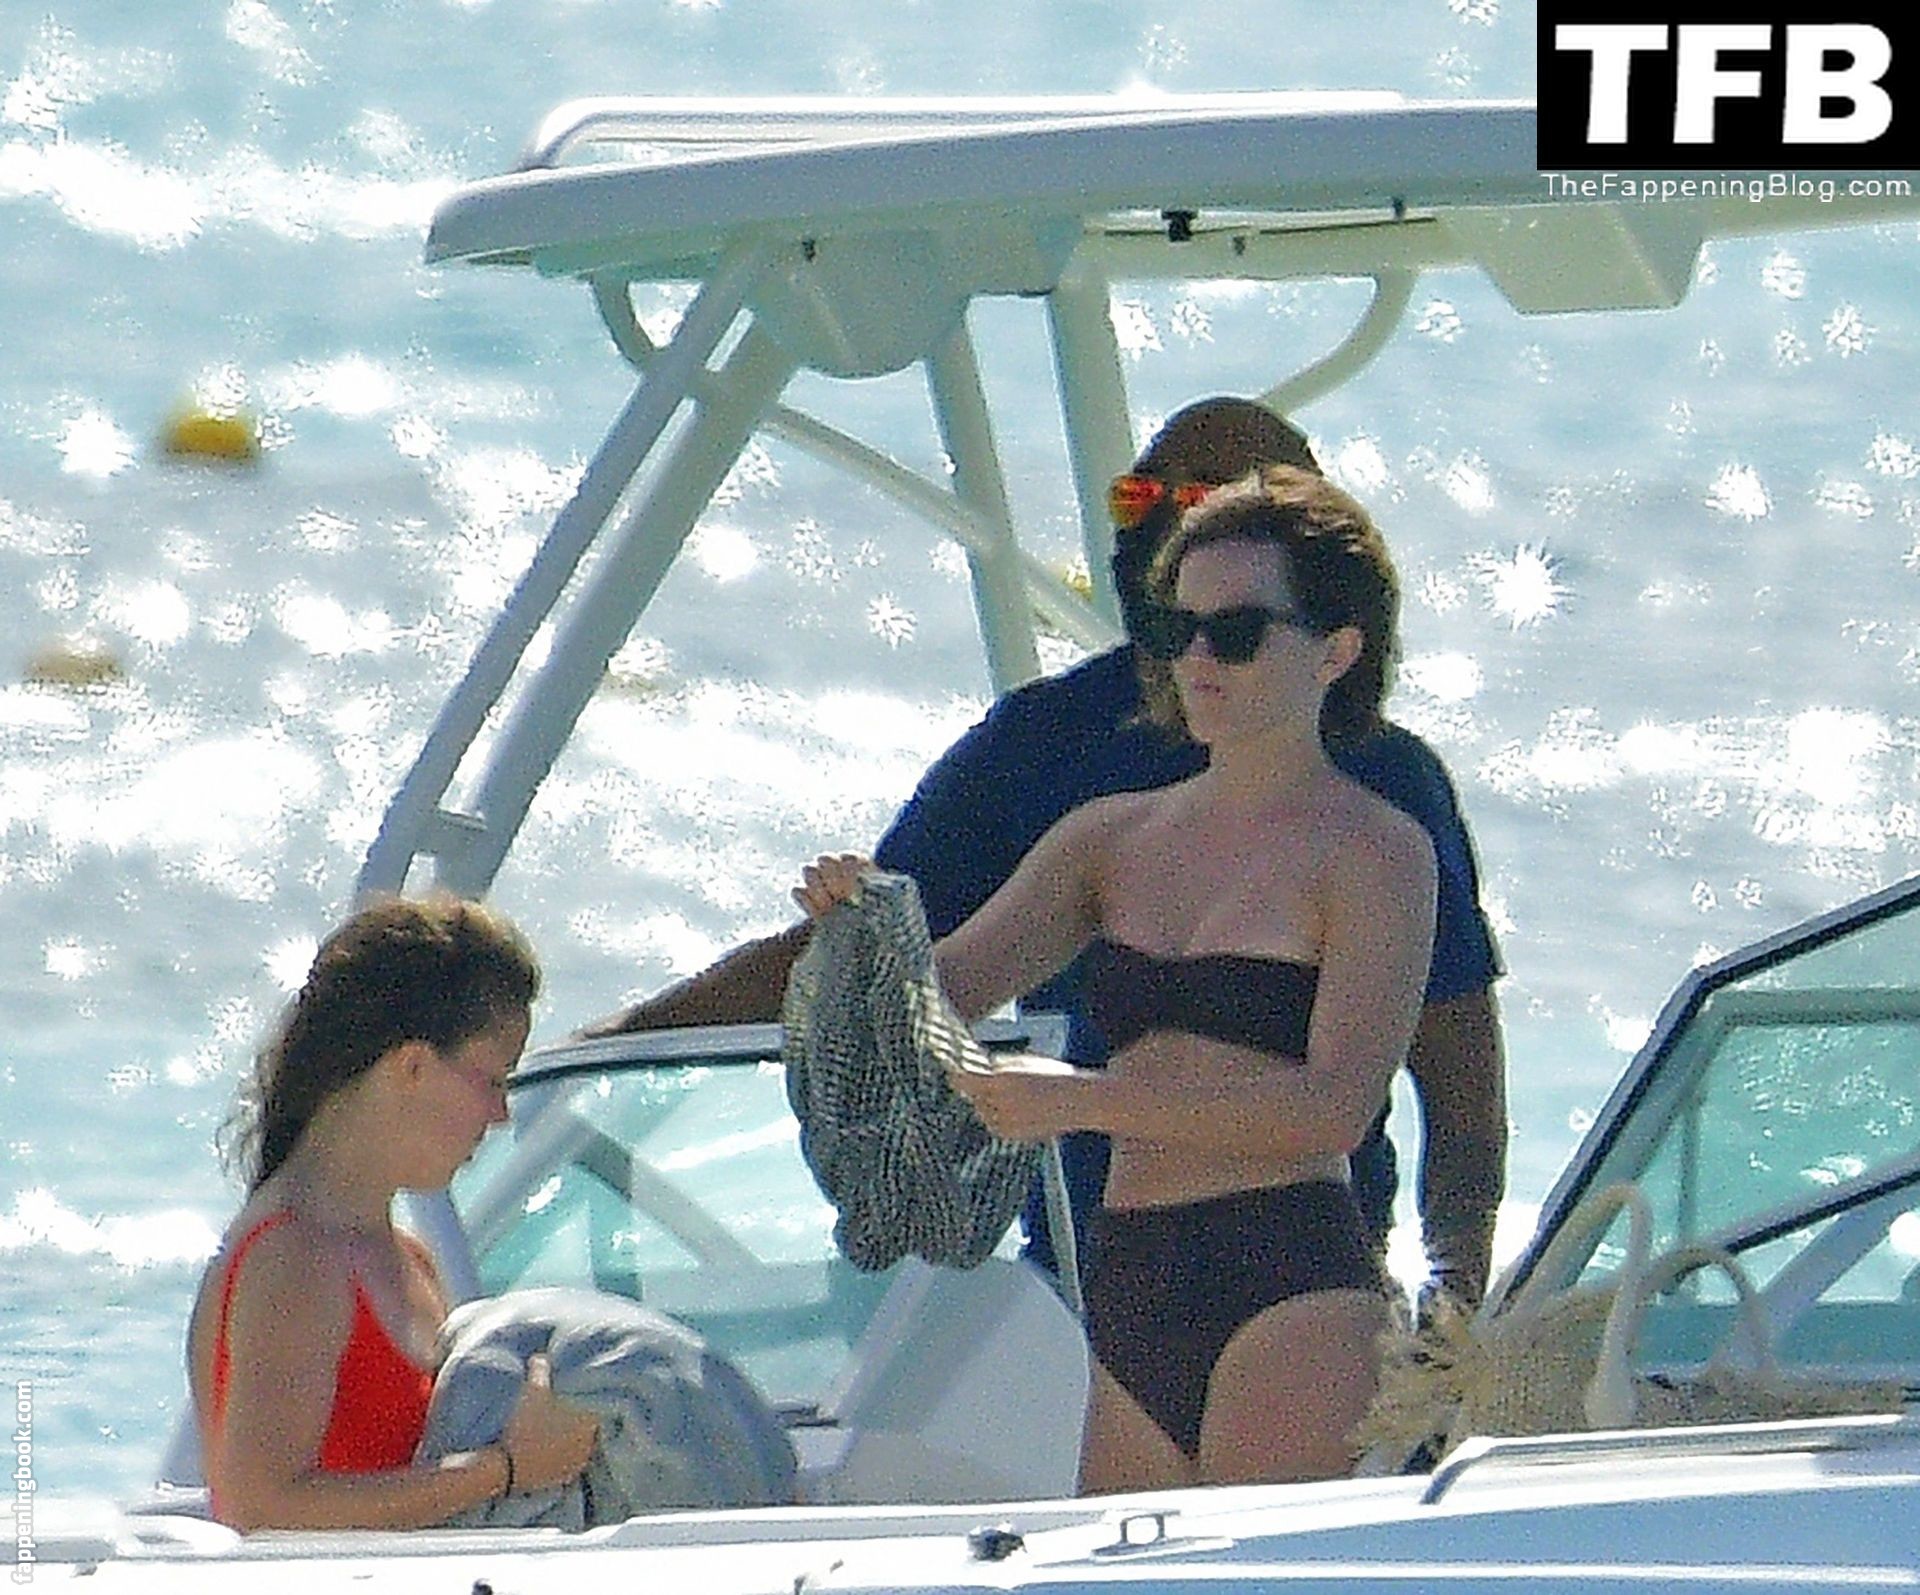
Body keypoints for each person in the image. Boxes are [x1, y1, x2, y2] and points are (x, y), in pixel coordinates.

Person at [582, 396, 1507, 1307]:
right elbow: (917, 987)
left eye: (1201, 503)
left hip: (1303, 1279)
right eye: (1140, 498)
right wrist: (839, 948)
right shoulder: (1054, 754)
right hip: (1089, 1276)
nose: (1167, 526)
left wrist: (1453, 1311)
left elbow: (1454, 1086)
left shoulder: (1385, 799)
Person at [796, 464, 1433, 1487]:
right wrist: (864, 930)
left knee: (1263, 1565)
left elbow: (1334, 1110)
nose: (1197, 658)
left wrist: (1084, 1101)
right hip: (1126, 1269)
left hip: (1291, 1273)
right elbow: (936, 1002)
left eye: (1236, 632)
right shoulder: (1109, 839)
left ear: (1337, 650)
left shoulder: (1376, 849)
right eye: (1179, 628)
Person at [187, 895, 600, 1531]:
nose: (500, 1115)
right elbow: (260, 1507)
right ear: (412, 1066)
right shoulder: (294, 1257)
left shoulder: (408, 1258)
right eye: (493, 1080)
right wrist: (506, 1468)